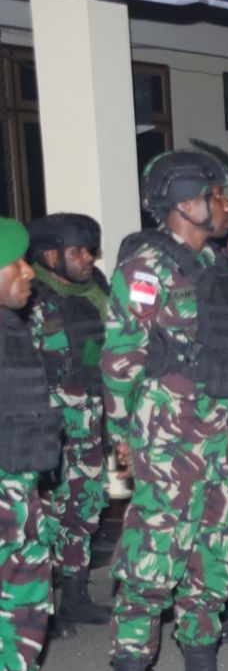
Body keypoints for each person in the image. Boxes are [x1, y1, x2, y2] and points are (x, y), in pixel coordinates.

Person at [102, 150, 228, 671]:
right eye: (216, 195)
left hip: (215, 432)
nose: (226, 206)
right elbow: (121, 358)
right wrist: (121, 444)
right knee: (152, 562)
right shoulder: (147, 265)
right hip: (165, 438)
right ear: (183, 201)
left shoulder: (210, 263)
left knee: (215, 553)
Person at [0, 216, 90, 671]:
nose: (28, 272)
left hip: (19, 491)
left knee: (23, 609)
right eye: (14, 262)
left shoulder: (12, 327)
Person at [27, 213, 113, 628]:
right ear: (50, 255)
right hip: (44, 426)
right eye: (78, 251)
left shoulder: (97, 290)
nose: (88, 258)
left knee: (85, 503)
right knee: (39, 515)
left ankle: (75, 596)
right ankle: (38, 605)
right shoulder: (29, 296)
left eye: (90, 250)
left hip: (90, 419)